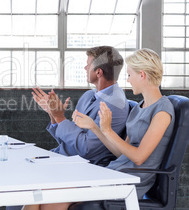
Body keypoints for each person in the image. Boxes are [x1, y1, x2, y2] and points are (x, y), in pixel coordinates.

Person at [25, 48, 175, 210]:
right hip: (114, 171)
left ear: (142, 75)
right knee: (40, 193)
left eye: (130, 74)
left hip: (129, 179)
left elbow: (138, 158)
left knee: (52, 201)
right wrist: (96, 128)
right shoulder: (139, 107)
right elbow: (121, 153)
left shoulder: (162, 111)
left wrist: (108, 131)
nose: (128, 79)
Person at [32, 46, 129, 163]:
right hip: (62, 157)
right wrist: (53, 115)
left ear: (98, 72)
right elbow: (69, 141)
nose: (85, 68)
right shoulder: (88, 95)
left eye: (88, 65)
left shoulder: (115, 104)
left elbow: (86, 149)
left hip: (82, 166)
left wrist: (60, 118)